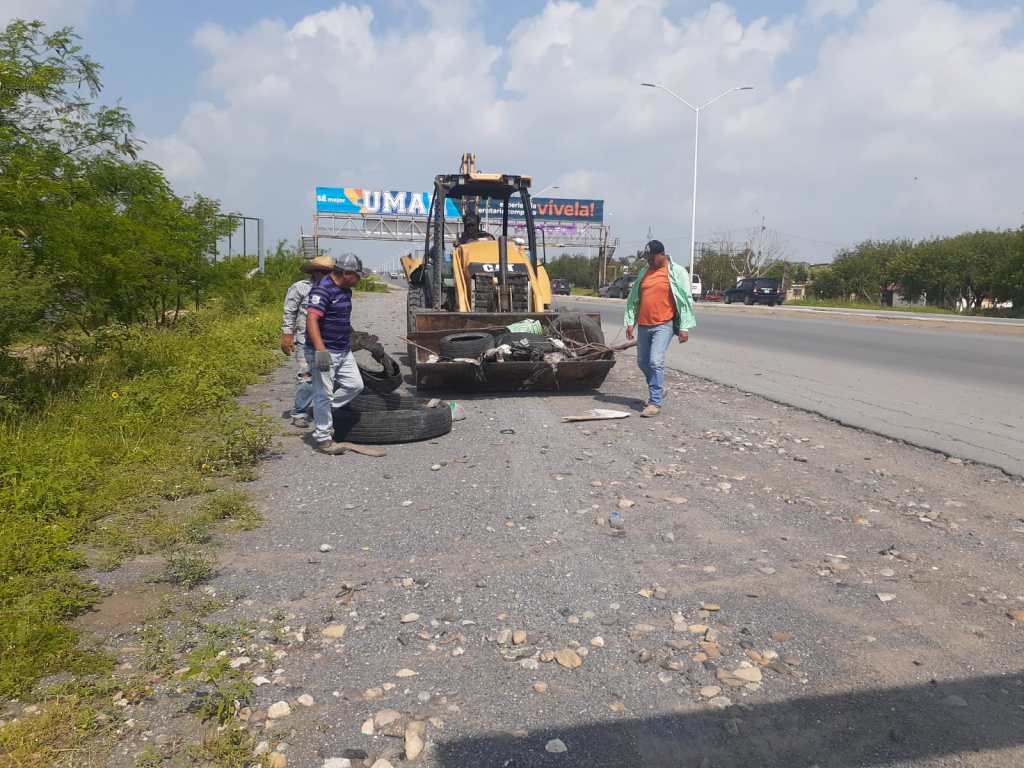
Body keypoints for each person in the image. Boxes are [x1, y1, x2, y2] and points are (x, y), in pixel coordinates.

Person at [623, 239, 696, 417]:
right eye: (647, 258)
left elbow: (686, 300)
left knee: (655, 361)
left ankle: (655, 403)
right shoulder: (644, 272)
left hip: (664, 324)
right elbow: (634, 299)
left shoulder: (677, 272)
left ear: (661, 255)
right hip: (644, 324)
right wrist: (630, 322)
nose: (648, 261)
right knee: (642, 362)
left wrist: (684, 327)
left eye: (651, 257)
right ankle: (658, 388)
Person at [305, 253, 366, 453]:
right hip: (324, 351)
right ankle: (323, 439)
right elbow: (312, 319)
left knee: (355, 385)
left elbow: (342, 318)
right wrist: (320, 350)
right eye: (357, 276)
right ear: (346, 273)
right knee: (323, 394)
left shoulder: (346, 291)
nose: (359, 280)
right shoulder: (322, 289)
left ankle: (320, 411)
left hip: (343, 350)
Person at [281, 255, 333, 428]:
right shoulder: (300, 288)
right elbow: (289, 312)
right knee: (307, 376)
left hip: (327, 341)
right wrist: (287, 335)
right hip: (304, 340)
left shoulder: (335, 289)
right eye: (323, 271)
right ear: (314, 272)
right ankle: (299, 412)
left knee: (328, 377)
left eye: (329, 272)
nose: (326, 275)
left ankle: (324, 410)